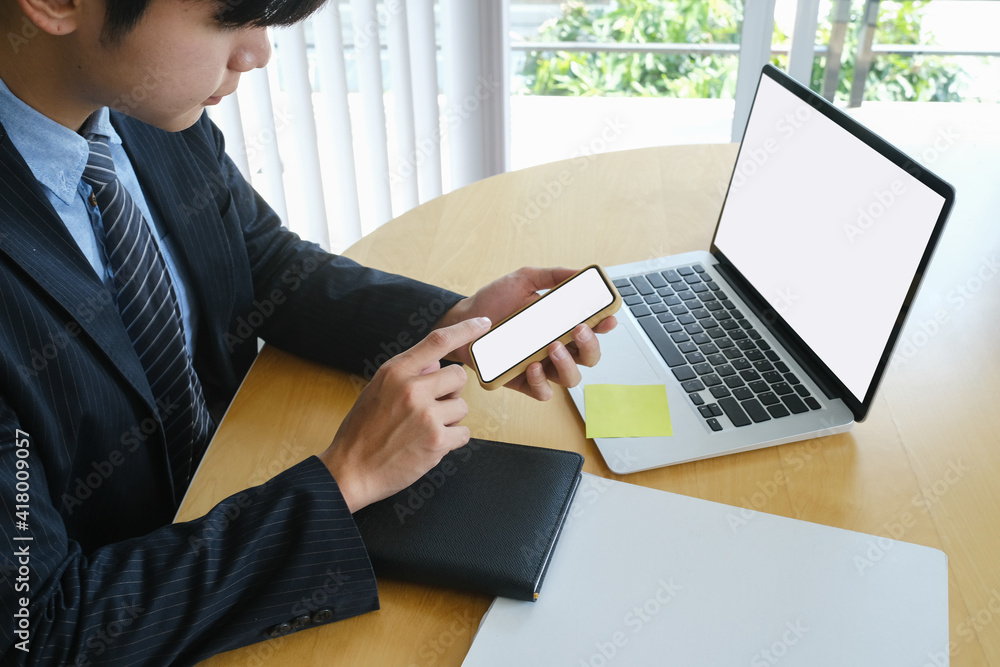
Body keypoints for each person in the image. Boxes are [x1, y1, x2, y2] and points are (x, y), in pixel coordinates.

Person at [0, 0, 616, 664]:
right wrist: (343, 479)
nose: (259, 52)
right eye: (228, 19)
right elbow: (45, 627)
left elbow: (267, 268)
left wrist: (459, 326)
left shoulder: (142, 109)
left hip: (236, 482)